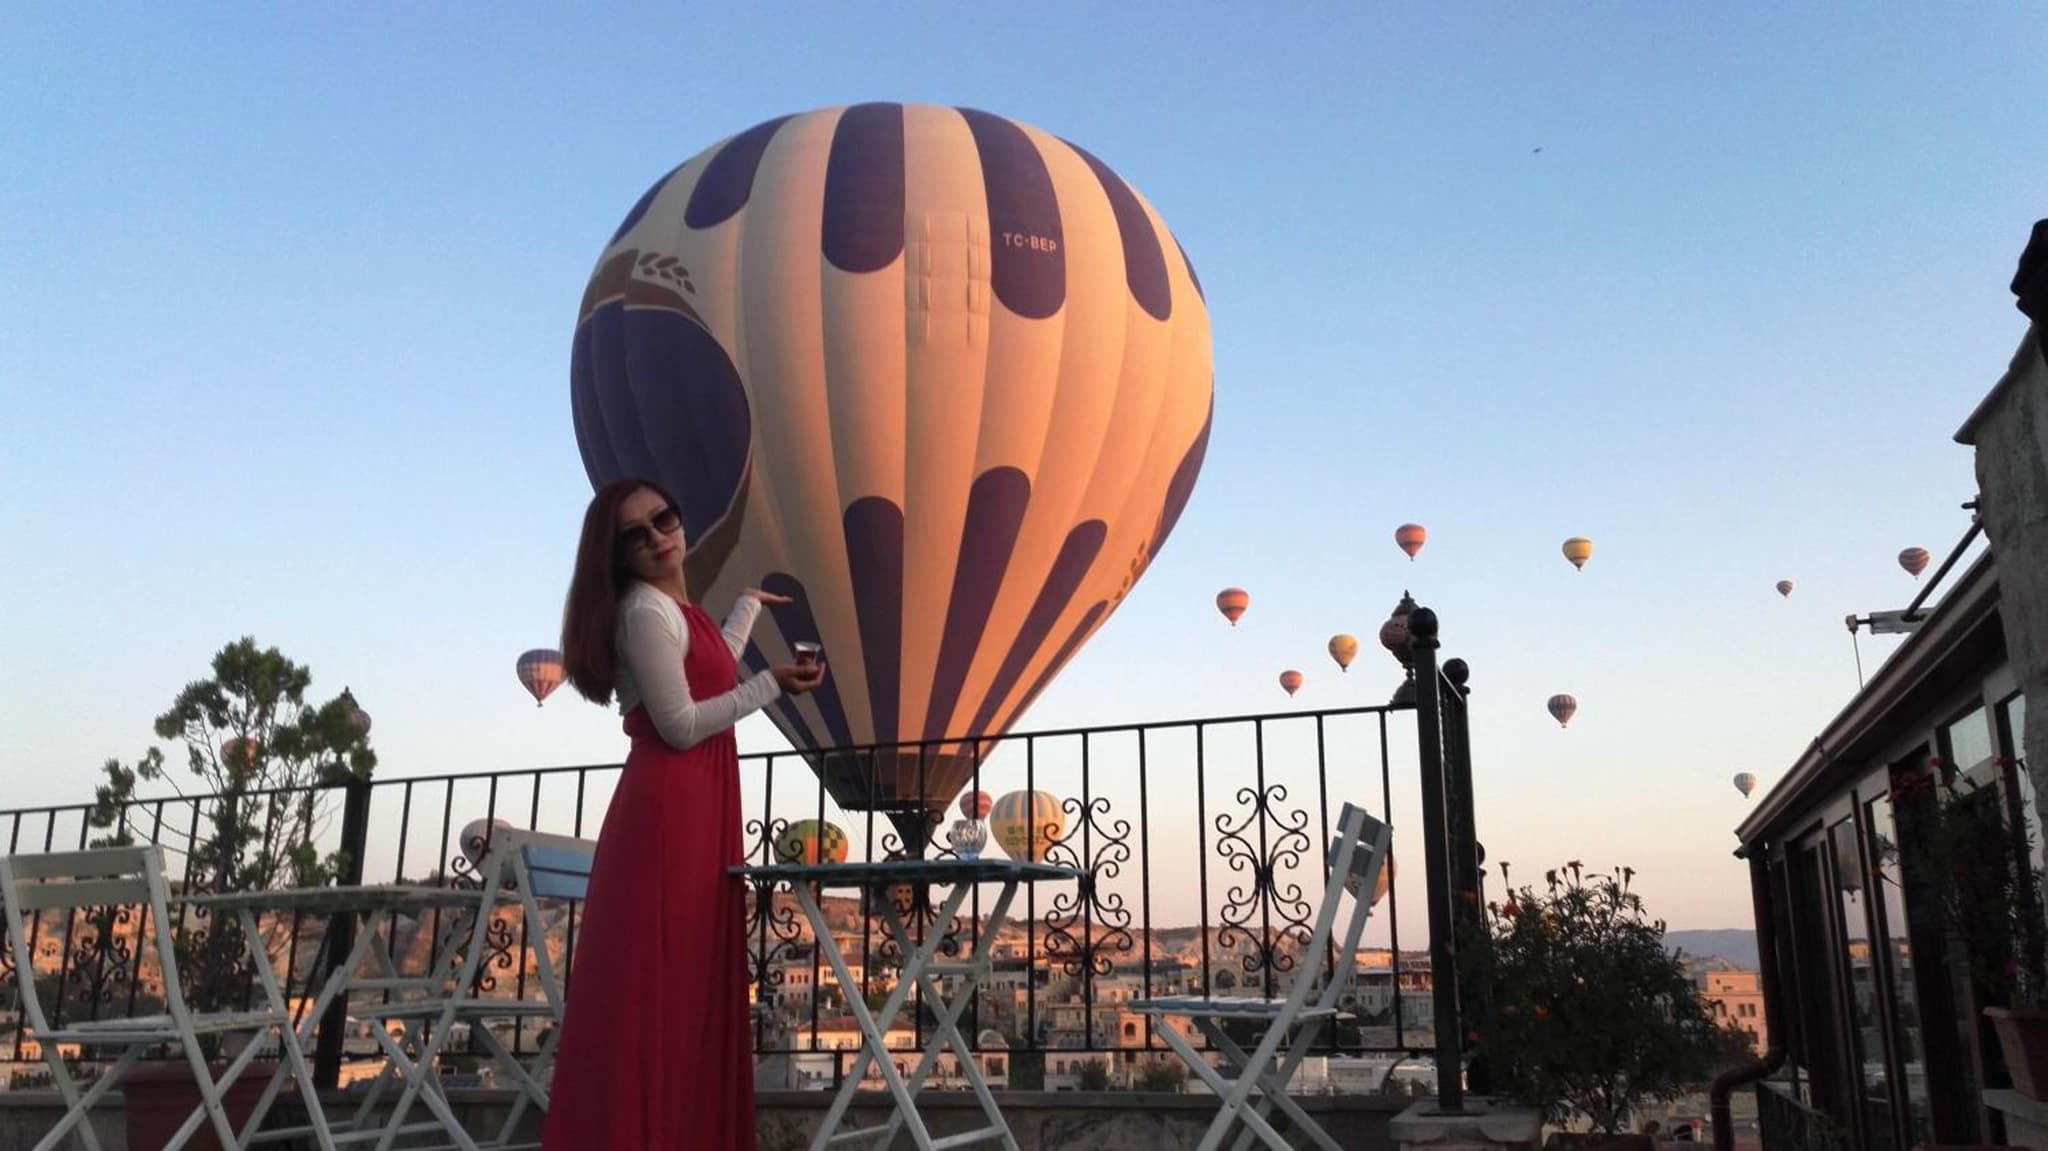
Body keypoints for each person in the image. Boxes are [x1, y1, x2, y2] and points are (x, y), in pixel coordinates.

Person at [542, 478, 825, 1150]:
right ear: (616, 555)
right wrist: (772, 683)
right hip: (670, 808)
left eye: (662, 518)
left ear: (680, 517)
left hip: (694, 800)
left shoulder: (676, 608)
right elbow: (679, 724)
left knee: (687, 978)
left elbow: (711, 667)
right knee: (663, 981)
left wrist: (745, 608)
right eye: (634, 534)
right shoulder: (644, 611)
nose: (656, 537)